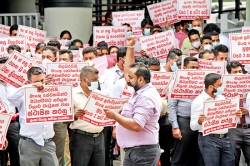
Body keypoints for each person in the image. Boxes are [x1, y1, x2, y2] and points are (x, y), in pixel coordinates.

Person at [104, 36, 161, 166]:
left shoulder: (145, 97)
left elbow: (136, 125)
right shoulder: (138, 90)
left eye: (130, 78)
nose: (127, 79)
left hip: (141, 153)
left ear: (140, 79)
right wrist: (130, 47)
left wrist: (115, 116)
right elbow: (128, 70)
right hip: (136, 152)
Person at [7, 67, 58, 166]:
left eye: (42, 80)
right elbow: (10, 97)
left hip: (48, 143)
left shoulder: (51, 94)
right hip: (29, 144)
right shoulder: (22, 95)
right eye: (36, 82)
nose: (40, 84)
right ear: (29, 82)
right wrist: (29, 87)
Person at [190, 73, 242, 166]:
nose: (222, 87)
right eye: (219, 85)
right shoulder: (198, 102)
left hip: (225, 138)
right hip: (209, 139)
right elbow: (193, 126)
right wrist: (199, 121)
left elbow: (227, 117)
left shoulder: (222, 98)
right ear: (210, 87)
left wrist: (236, 114)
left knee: (229, 163)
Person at [168, 57, 203, 166]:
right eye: (192, 67)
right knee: (180, 155)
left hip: (199, 122)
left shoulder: (203, 83)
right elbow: (171, 107)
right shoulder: (175, 83)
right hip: (184, 122)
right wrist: (175, 127)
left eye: (197, 68)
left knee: (197, 155)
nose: (195, 70)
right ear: (184, 68)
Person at [70, 66, 105, 166]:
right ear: (84, 80)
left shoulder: (99, 94)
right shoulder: (72, 94)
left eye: (97, 80)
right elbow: (64, 120)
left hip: (99, 137)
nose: (96, 82)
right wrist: (75, 116)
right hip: (81, 138)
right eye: (94, 80)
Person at [0, 57, 20, 166]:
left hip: (13, 123)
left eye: (5, 69)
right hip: (0, 123)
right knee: (1, 152)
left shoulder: (17, 85)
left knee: (16, 151)